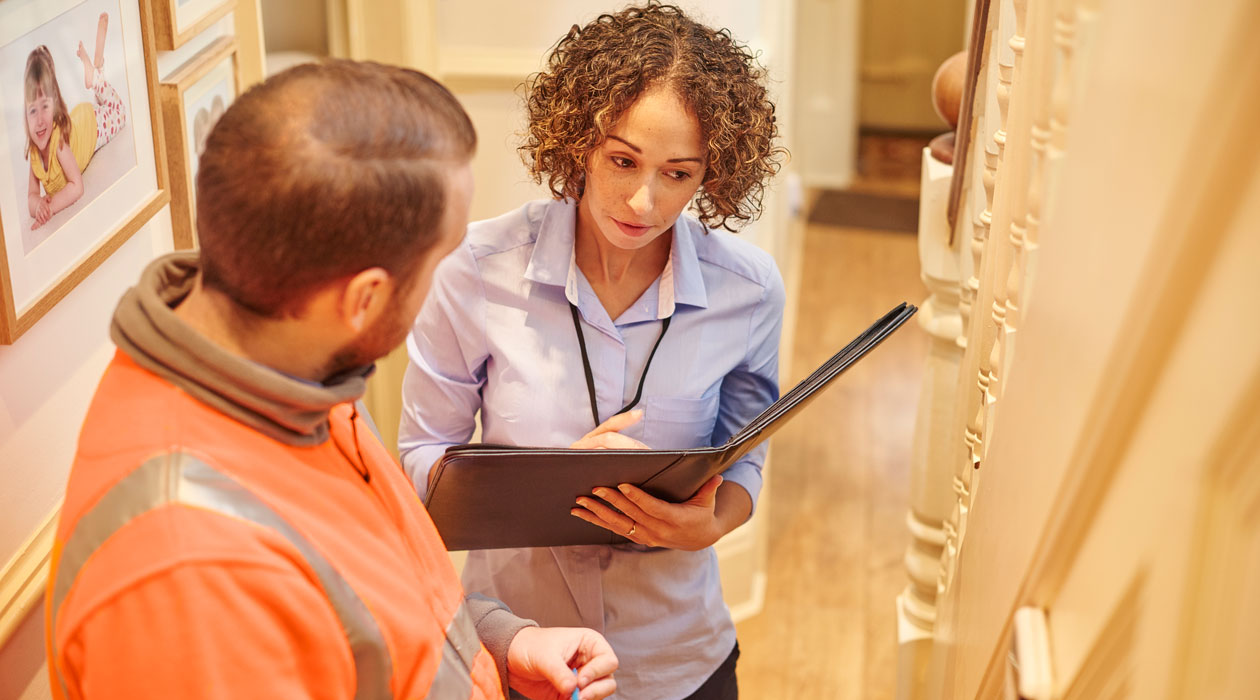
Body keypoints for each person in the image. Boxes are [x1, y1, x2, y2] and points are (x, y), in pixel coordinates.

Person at [45, 60, 618, 700]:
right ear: (363, 300)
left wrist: (495, 642)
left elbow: (364, 599)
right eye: (442, 256)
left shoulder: (294, 370)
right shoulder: (190, 574)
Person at [399, 4, 786, 698]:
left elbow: (745, 453)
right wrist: (542, 485)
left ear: (713, 174)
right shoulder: (474, 272)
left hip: (680, 659)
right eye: (622, 161)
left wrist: (714, 522)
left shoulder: (749, 291)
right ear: (578, 139)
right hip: (518, 651)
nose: (643, 200)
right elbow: (422, 459)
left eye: (678, 174)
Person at [25, 12, 127, 230]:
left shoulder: (57, 143)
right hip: (78, 122)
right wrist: (38, 207)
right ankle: (97, 66)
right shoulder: (34, 151)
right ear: (25, 114)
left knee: (118, 111)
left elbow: (76, 186)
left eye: (45, 107)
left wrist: (51, 209)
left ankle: (95, 75)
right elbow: (32, 196)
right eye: (33, 111)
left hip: (92, 126)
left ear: (55, 105)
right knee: (102, 102)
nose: (40, 120)